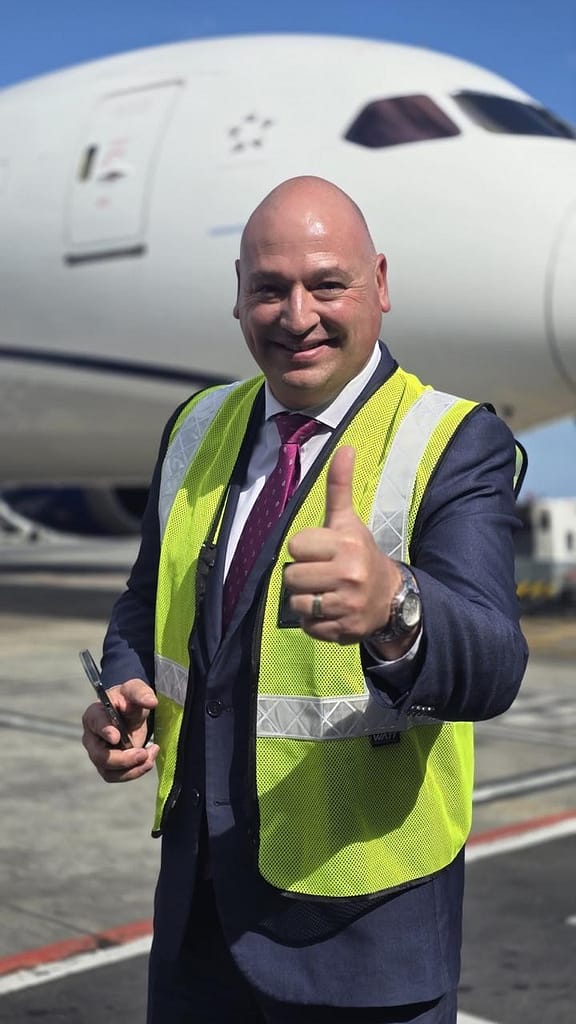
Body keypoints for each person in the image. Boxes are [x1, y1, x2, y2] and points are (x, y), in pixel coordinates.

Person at [81, 175, 528, 1023]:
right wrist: (124, 684)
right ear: (239, 297)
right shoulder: (196, 426)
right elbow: (146, 599)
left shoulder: (452, 437)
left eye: (327, 283)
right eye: (269, 289)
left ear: (381, 285)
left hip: (362, 932)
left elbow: (494, 664)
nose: (297, 315)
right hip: (198, 922)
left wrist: (397, 606)